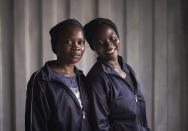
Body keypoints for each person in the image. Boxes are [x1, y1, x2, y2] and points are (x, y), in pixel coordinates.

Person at [84, 18, 150, 131]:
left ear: (118, 38)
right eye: (100, 42)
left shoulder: (127, 68)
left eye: (112, 38)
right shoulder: (97, 79)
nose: (109, 45)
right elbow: (100, 125)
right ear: (93, 47)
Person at [25, 19, 90, 131]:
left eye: (80, 42)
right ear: (56, 45)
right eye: (68, 42)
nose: (76, 47)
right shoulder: (42, 79)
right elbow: (35, 125)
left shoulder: (82, 78)